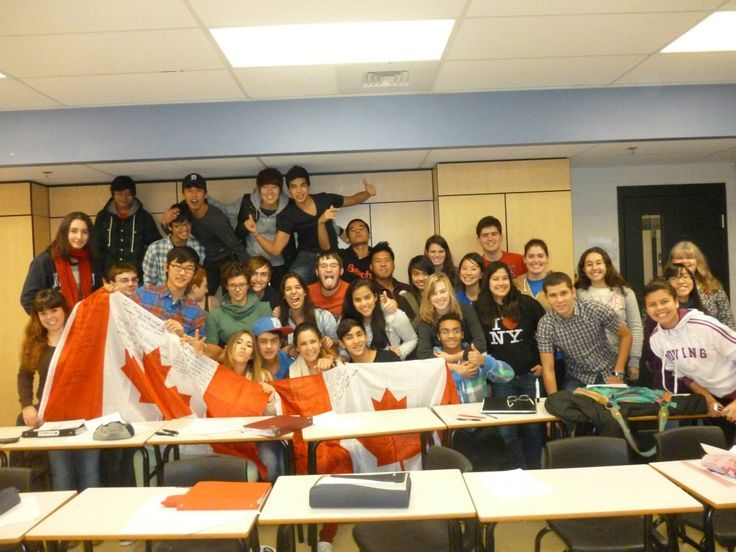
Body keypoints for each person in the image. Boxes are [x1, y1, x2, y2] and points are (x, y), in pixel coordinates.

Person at [18, 289, 100, 491]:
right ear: (37, 316)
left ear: (64, 310)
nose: (49, 317)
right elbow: (25, 376)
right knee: (61, 474)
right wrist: (27, 406)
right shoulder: (36, 343)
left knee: (90, 472)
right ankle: (64, 522)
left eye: (54, 310)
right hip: (52, 419)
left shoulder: (83, 338)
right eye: (43, 313)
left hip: (86, 416)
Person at [245, 165, 375, 284]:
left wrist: (368, 193)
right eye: (293, 186)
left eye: (303, 185)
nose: (299, 191)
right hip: (307, 256)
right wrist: (256, 233)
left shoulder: (324, 200)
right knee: (292, 282)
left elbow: (352, 199)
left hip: (332, 253)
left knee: (345, 283)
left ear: (308, 186)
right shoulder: (288, 214)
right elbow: (275, 249)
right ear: (289, 189)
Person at [645, 278, 736, 442]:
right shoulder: (656, 340)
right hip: (718, 402)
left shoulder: (704, 325)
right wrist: (709, 400)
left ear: (676, 302)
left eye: (664, 301)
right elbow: (683, 376)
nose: (659, 308)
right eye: (652, 304)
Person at [475, 262, 546, 468]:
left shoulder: (527, 304)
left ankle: (536, 471)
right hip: (501, 380)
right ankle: (515, 471)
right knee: (506, 431)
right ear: (487, 282)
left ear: (511, 280)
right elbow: (479, 344)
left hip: (529, 376)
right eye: (495, 279)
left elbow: (547, 334)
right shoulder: (479, 308)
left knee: (533, 429)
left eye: (504, 278)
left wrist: (542, 363)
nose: (500, 283)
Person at [434, 312, 514, 470]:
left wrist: (485, 361)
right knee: (458, 468)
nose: (451, 335)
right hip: (451, 428)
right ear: (438, 336)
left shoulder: (474, 355)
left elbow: (509, 375)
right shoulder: (432, 361)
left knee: (494, 462)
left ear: (462, 334)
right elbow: (434, 392)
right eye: (445, 331)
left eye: (456, 330)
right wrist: (457, 375)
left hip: (481, 424)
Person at [536, 272, 633, 394]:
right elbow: (548, 368)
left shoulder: (594, 309)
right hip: (577, 377)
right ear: (546, 297)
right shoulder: (546, 325)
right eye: (553, 295)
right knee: (569, 409)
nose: (559, 300)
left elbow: (626, 335)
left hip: (609, 371)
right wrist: (555, 399)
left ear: (573, 292)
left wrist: (618, 373)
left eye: (564, 293)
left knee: (617, 409)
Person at [162, 173, 249, 295]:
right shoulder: (182, 210)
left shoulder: (217, 220)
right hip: (206, 260)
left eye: (198, 190)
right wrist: (164, 223)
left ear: (205, 194)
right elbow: (175, 232)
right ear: (183, 194)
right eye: (189, 191)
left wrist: (249, 273)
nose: (194, 195)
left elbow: (237, 247)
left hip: (227, 260)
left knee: (231, 297)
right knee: (199, 296)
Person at [575, 247, 643, 381]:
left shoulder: (626, 293)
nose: (594, 267)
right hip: (588, 366)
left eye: (599, 263)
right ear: (583, 269)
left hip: (620, 360)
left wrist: (634, 360)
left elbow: (635, 328)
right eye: (589, 264)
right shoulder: (578, 294)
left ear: (607, 265)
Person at [222, 330, 282, 480]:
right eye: (239, 343)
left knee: (270, 464)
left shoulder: (263, 375)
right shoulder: (218, 375)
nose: (243, 347)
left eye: (249, 345)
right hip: (226, 437)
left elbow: (273, 418)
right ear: (230, 347)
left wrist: (270, 400)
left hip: (257, 437)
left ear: (252, 354)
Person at [21, 211, 102, 313]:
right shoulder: (45, 261)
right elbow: (28, 299)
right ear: (65, 232)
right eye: (73, 231)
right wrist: (48, 319)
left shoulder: (92, 260)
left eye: (85, 232)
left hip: (86, 324)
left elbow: (98, 295)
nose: (79, 237)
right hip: (56, 326)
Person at [643, 263, 705, 390]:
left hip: (702, 381)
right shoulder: (659, 314)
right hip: (668, 380)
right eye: (674, 278)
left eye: (685, 276)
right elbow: (650, 352)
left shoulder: (703, 313)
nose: (681, 281)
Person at [235, 167, 295, 288]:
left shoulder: (290, 206)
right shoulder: (247, 202)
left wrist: (339, 231)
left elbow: (309, 216)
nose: (269, 192)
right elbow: (226, 214)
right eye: (265, 187)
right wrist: (244, 226)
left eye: (274, 187)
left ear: (280, 189)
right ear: (259, 189)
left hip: (280, 265)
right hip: (252, 263)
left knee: (277, 298)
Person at [94, 175, 160, 278]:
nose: (124, 198)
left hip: (137, 278)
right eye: (119, 194)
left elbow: (155, 246)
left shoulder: (144, 217)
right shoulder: (103, 216)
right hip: (109, 278)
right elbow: (96, 247)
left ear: (133, 195)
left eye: (128, 194)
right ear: (113, 195)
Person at [134, 246, 206, 337]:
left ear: (194, 273)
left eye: (189, 269)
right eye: (177, 266)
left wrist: (182, 335)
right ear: (166, 267)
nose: (182, 273)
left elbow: (196, 349)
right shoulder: (142, 294)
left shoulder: (197, 314)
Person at [205, 261, 272, 356]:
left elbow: (269, 344)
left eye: (242, 285)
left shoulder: (263, 309)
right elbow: (211, 351)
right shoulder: (215, 315)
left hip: (258, 362)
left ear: (248, 285)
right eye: (233, 285)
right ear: (226, 286)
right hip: (228, 363)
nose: (237, 289)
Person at [415, 273, 487, 359]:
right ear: (428, 297)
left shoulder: (466, 311)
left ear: (450, 292)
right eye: (434, 294)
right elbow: (423, 353)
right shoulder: (426, 319)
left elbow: (481, 343)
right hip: (442, 365)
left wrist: (454, 357)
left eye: (443, 291)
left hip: (468, 361)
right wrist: (453, 366)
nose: (439, 297)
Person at [342, 279, 417, 359]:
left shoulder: (394, 315)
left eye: (367, 297)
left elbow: (412, 340)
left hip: (389, 365)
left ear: (375, 297)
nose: (363, 303)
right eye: (357, 300)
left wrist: (401, 351)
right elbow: (343, 347)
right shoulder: (346, 319)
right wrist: (343, 357)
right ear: (351, 302)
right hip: (360, 368)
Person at [669, 240, 736, 329]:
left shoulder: (712, 286)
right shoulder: (664, 287)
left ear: (697, 261)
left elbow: (727, 320)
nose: (684, 261)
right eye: (680, 258)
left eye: (689, 257)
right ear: (672, 262)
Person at [143, 203, 205, 287]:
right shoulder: (155, 249)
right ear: (169, 227)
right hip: (161, 296)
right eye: (178, 226)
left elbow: (198, 278)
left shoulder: (199, 247)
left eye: (187, 224)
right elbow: (149, 282)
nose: (184, 229)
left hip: (189, 296)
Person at [278, 272, 338, 347]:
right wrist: (287, 350)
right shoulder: (280, 321)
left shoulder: (324, 316)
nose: (293, 292)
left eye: (298, 287)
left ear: (305, 292)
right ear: (284, 295)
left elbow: (341, 345)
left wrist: (331, 342)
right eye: (288, 289)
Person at [336, 318, 401, 363]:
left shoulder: (389, 358)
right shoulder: (348, 371)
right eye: (349, 338)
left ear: (366, 336)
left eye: (359, 335)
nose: (356, 341)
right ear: (342, 344)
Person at [307, 251, 350, 318]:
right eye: (323, 266)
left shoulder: (351, 291)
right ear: (317, 272)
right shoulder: (307, 292)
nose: (328, 270)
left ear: (341, 271)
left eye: (333, 266)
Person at [513, 238, 551, 311]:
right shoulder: (515, 284)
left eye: (540, 256)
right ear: (524, 259)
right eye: (531, 256)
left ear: (547, 258)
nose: (536, 260)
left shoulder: (558, 283)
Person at [252, 316, 294, 381]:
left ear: (280, 343)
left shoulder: (291, 364)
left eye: (274, 340)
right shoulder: (249, 367)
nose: (269, 346)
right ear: (255, 344)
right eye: (263, 341)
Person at [396, 255, 434, 327]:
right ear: (411, 276)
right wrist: (425, 308)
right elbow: (410, 331)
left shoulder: (439, 296)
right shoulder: (405, 298)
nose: (421, 278)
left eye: (425, 274)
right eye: (416, 274)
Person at [339, 218, 373, 283]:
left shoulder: (378, 256)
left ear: (369, 235)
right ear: (347, 239)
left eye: (361, 229)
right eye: (353, 230)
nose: (357, 231)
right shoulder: (340, 256)